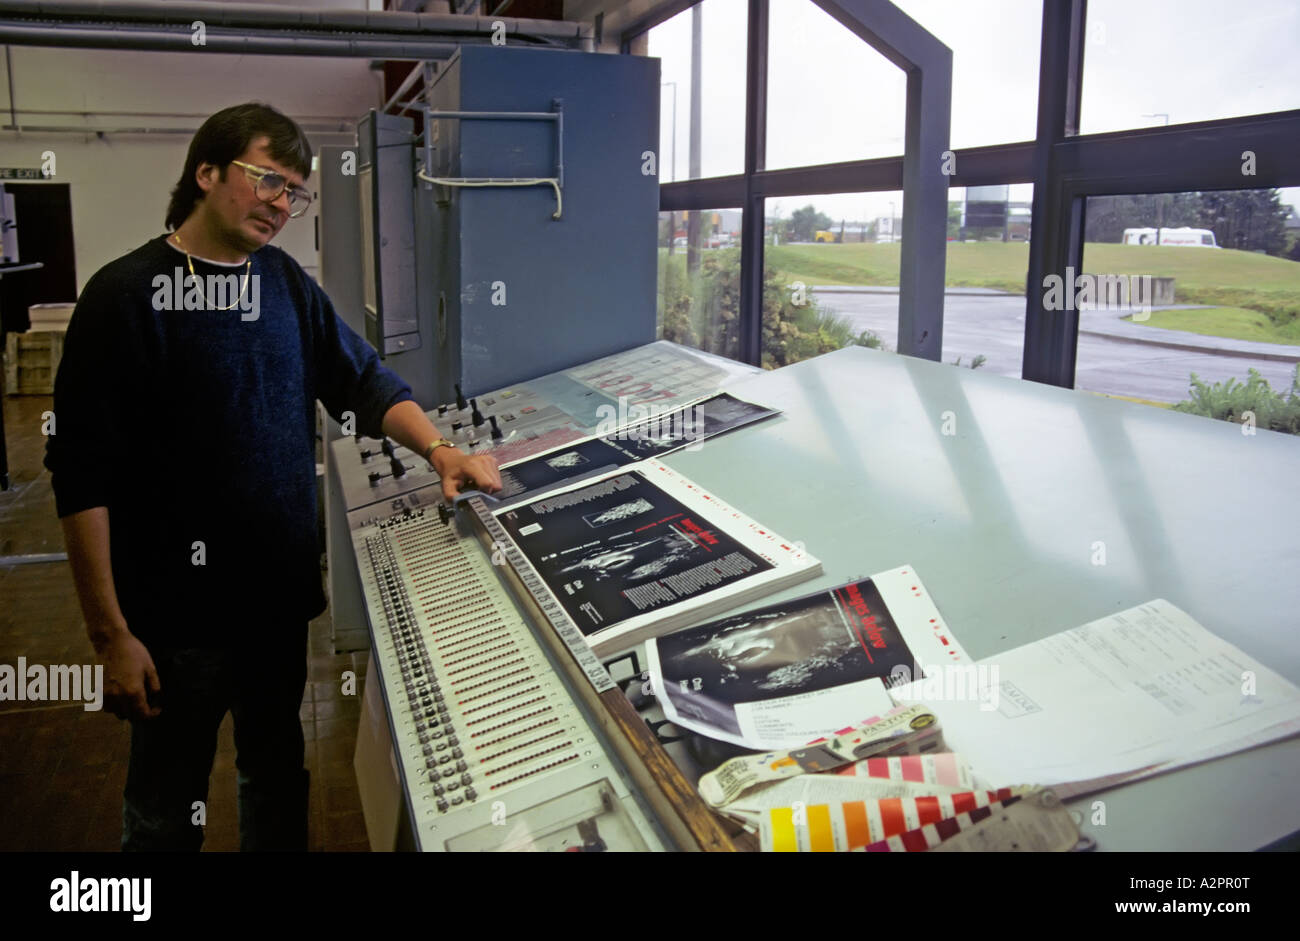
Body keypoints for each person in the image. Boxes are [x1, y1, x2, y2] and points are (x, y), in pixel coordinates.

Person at [44, 102, 501, 851]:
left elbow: (362, 380)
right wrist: (110, 634)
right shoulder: (124, 296)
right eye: (267, 181)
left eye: (295, 192)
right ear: (206, 172)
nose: (282, 204)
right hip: (173, 626)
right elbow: (80, 475)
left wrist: (439, 449)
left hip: (275, 609)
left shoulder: (283, 283)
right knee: (163, 811)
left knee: (277, 781)